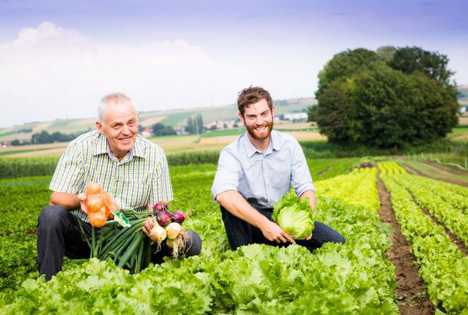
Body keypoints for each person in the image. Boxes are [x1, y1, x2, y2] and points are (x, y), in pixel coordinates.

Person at [37, 92, 202, 280]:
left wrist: (151, 223)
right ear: (100, 127)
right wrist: (80, 200)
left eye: (131, 123)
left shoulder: (155, 155)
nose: (126, 131)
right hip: (87, 234)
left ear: (138, 120)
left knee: (192, 243)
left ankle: (142, 268)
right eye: (117, 125)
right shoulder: (81, 147)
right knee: (51, 216)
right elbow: (55, 199)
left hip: (132, 235)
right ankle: (48, 283)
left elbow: (159, 208)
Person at [211, 86, 344, 251]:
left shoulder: (289, 145)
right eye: (252, 116)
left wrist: (305, 221)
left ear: (272, 111)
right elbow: (223, 193)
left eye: (264, 114)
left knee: (336, 242)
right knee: (230, 205)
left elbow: (306, 189)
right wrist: (264, 224)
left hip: (283, 219)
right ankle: (245, 254)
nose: (259, 122)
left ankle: (275, 244)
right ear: (242, 118)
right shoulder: (231, 153)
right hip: (251, 222)